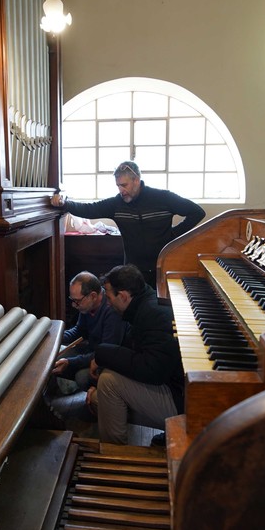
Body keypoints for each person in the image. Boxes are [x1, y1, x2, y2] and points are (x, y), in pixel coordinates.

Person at [51, 160, 206, 288]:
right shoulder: (117, 204)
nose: (121, 190)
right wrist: (65, 204)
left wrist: (173, 235)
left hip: (163, 266)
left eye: (124, 185)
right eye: (118, 185)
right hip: (134, 272)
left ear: (136, 180)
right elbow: (89, 209)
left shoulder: (163, 198)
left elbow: (197, 212)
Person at [89, 264, 184, 445]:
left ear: (123, 296)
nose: (107, 303)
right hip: (172, 386)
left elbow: (152, 371)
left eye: (109, 297)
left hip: (180, 400)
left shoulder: (153, 314)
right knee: (98, 395)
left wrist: (101, 354)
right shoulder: (144, 304)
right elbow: (130, 351)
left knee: (108, 384)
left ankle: (115, 455)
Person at [52, 272, 127, 394]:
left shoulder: (112, 311)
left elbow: (106, 353)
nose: (74, 305)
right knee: (56, 360)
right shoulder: (86, 306)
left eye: (77, 301)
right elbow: (79, 330)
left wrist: (71, 362)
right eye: (72, 300)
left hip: (107, 358)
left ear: (93, 296)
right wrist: (54, 337)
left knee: (81, 377)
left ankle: (98, 400)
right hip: (93, 350)